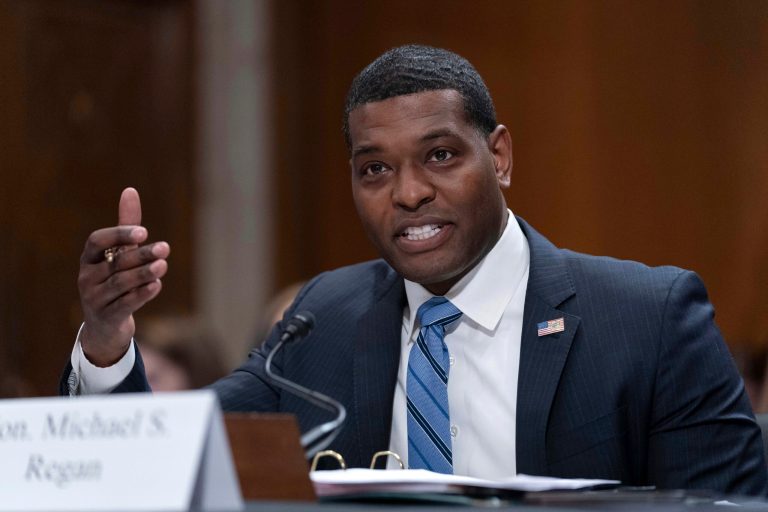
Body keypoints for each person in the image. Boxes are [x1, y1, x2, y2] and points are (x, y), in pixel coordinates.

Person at [61, 45, 766, 495]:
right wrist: (105, 338)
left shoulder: (647, 317)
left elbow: (726, 506)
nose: (407, 193)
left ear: (500, 156)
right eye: (374, 169)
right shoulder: (326, 318)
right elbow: (162, 463)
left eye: (439, 156)